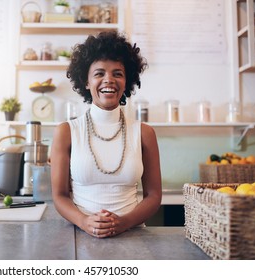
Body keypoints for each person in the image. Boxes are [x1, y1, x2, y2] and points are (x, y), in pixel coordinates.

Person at [50, 31, 162, 238]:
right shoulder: (67, 132)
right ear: (86, 81)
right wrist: (84, 221)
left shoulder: (145, 133)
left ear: (127, 81)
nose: (108, 80)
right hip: (80, 235)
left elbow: (154, 196)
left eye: (117, 73)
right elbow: (59, 196)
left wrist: (124, 223)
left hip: (132, 235)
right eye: (99, 73)